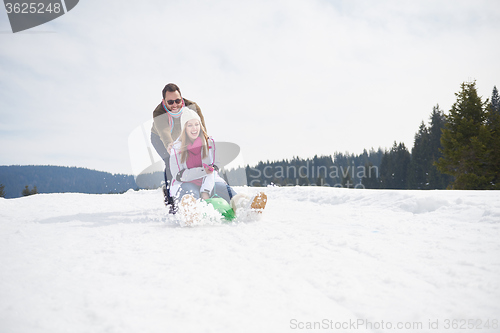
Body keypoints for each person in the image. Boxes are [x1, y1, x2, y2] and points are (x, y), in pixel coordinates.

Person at [170, 108, 267, 223]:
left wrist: (205, 190)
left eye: (197, 124)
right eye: (190, 125)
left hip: (209, 179)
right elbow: (179, 175)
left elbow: (214, 167)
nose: (194, 128)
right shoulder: (176, 148)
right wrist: (203, 171)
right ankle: (191, 212)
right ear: (184, 128)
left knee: (223, 189)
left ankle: (246, 207)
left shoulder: (210, 143)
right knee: (191, 194)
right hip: (187, 182)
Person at [150, 83, 207, 212]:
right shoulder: (159, 112)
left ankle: (198, 193)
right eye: (170, 102)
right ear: (164, 101)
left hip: (182, 136)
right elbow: (164, 132)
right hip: (160, 139)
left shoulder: (192, 107)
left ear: (181, 98)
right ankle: (172, 201)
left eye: (177, 100)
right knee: (171, 162)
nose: (175, 105)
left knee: (192, 160)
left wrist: (205, 142)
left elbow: (201, 127)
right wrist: (169, 145)